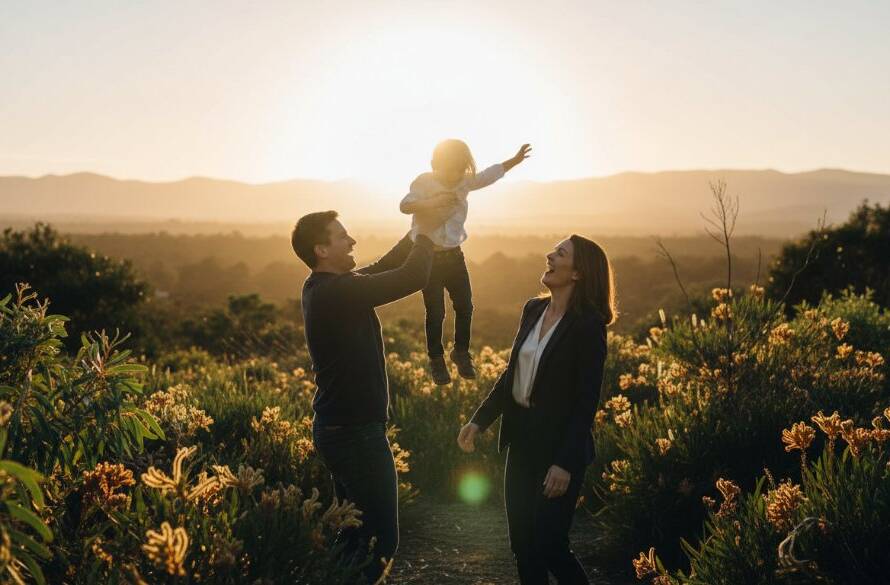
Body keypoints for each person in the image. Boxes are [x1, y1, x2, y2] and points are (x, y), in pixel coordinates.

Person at [292, 207, 447, 583]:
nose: (352, 240)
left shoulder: (325, 287)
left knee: (352, 533)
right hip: (354, 434)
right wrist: (426, 237)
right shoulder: (337, 292)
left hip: (342, 429)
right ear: (322, 250)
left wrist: (416, 231)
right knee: (380, 541)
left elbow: (381, 267)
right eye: (342, 236)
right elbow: (411, 276)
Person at [457, 235, 615, 585]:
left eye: (560, 253)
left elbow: (586, 400)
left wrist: (564, 462)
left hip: (558, 451)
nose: (549, 255)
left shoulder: (588, 326)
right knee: (524, 546)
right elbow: (511, 374)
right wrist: (480, 420)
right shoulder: (533, 308)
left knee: (550, 545)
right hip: (521, 443)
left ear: (578, 273)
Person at [400, 139, 532, 385]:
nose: (454, 177)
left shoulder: (464, 182)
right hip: (429, 258)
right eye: (449, 171)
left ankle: (461, 352)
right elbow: (405, 205)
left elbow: (489, 175)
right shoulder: (424, 182)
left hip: (454, 257)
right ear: (434, 165)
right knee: (436, 312)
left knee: (465, 306)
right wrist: (432, 202)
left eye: (459, 171)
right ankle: (436, 359)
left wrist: (514, 161)